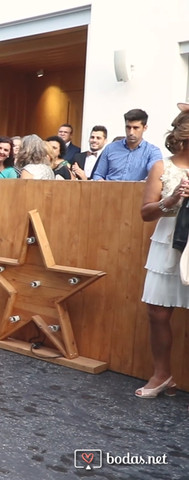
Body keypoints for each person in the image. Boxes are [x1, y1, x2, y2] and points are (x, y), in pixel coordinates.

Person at [136, 108, 189, 401]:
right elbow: (146, 213)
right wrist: (171, 200)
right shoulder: (161, 167)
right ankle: (162, 374)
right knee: (157, 312)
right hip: (167, 243)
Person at [93, 109, 163, 181]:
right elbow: (98, 174)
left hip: (137, 191)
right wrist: (100, 182)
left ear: (145, 128)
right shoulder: (110, 148)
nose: (131, 132)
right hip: (109, 190)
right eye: (128, 127)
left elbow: (155, 174)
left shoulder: (152, 152)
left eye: (136, 128)